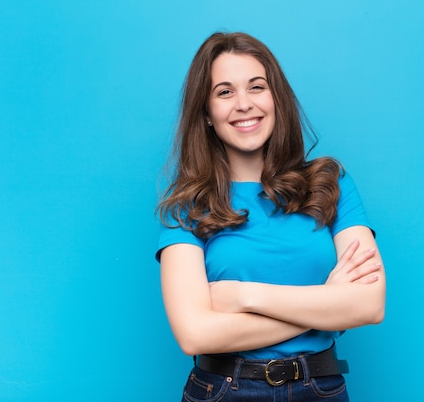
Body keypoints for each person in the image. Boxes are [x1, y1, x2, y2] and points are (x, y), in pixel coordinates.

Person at [155, 31, 386, 402]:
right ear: (207, 114)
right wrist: (327, 303)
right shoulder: (188, 204)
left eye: (257, 87)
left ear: (276, 98)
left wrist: (242, 295)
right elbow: (194, 334)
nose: (244, 104)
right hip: (223, 391)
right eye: (225, 92)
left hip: (320, 388)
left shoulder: (330, 182)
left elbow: (369, 305)